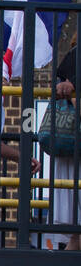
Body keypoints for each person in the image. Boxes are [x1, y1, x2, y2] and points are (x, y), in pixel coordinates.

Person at [51, 34, 80, 250]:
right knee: (76, 233)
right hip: (74, 150)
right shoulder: (74, 56)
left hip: (72, 152)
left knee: (76, 234)